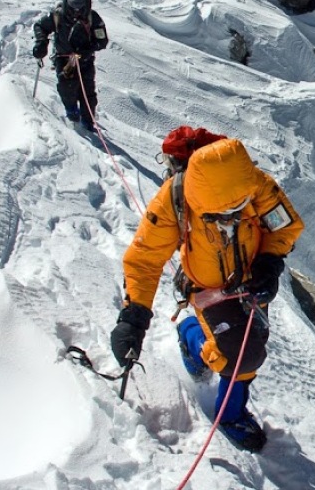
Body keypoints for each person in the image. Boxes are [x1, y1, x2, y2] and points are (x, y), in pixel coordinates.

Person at [110, 126, 304, 452]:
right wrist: (133, 316)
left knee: (254, 339)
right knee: (242, 357)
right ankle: (229, 413)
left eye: (240, 207)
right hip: (207, 288)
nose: (234, 216)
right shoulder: (174, 199)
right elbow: (144, 259)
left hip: (251, 280)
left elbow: (285, 226)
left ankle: (192, 336)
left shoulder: (254, 184)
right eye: (223, 213)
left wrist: (269, 261)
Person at [32, 0, 109, 131]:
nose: (76, 10)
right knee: (66, 86)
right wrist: (41, 42)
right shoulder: (58, 15)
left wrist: (88, 50)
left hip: (85, 60)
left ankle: (88, 121)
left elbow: (102, 40)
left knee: (87, 92)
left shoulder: (93, 18)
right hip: (64, 58)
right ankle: (72, 111)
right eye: (73, 6)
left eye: (80, 6)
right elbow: (40, 26)